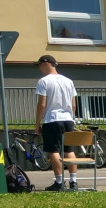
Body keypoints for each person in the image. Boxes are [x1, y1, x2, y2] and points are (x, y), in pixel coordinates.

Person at [33, 55, 79, 191]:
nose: (39, 68)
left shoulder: (44, 81)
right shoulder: (68, 81)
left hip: (52, 119)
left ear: (46, 63)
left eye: (40, 65)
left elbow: (42, 104)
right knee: (69, 150)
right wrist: (72, 118)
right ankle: (73, 181)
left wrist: (37, 124)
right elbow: (74, 104)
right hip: (68, 119)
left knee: (54, 150)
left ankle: (59, 182)